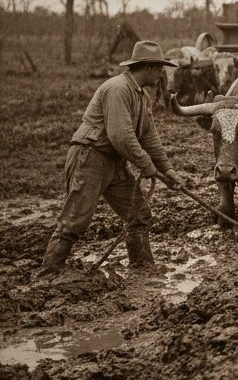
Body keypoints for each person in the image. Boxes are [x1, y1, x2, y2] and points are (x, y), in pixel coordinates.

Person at [37, 40, 183, 277]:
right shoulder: (118, 88)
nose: (161, 74)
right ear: (147, 67)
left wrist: (168, 171)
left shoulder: (141, 95)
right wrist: (146, 165)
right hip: (90, 156)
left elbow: (149, 137)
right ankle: (48, 273)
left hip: (113, 160)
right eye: (159, 68)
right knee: (74, 221)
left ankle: (142, 269)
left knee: (139, 215)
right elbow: (121, 135)